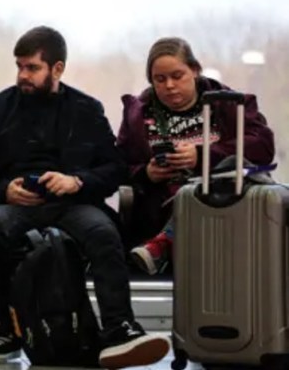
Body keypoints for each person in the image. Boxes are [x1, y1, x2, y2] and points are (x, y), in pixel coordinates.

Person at [0, 26, 169, 370]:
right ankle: (4, 330)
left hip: (72, 203)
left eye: (32, 68)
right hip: (13, 205)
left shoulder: (86, 110)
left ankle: (119, 330)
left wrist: (77, 182)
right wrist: (3, 190)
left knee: (103, 234)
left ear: (58, 68)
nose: (23, 75)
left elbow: (115, 168)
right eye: (19, 66)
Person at [117, 37, 275, 274]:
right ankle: (164, 242)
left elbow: (262, 147)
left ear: (195, 70)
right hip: (160, 206)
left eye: (177, 76)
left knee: (223, 173)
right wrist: (146, 173)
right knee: (186, 198)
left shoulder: (230, 104)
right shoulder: (137, 115)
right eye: (160, 79)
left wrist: (202, 157)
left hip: (224, 205)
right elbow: (116, 165)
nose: (169, 85)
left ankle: (162, 245)